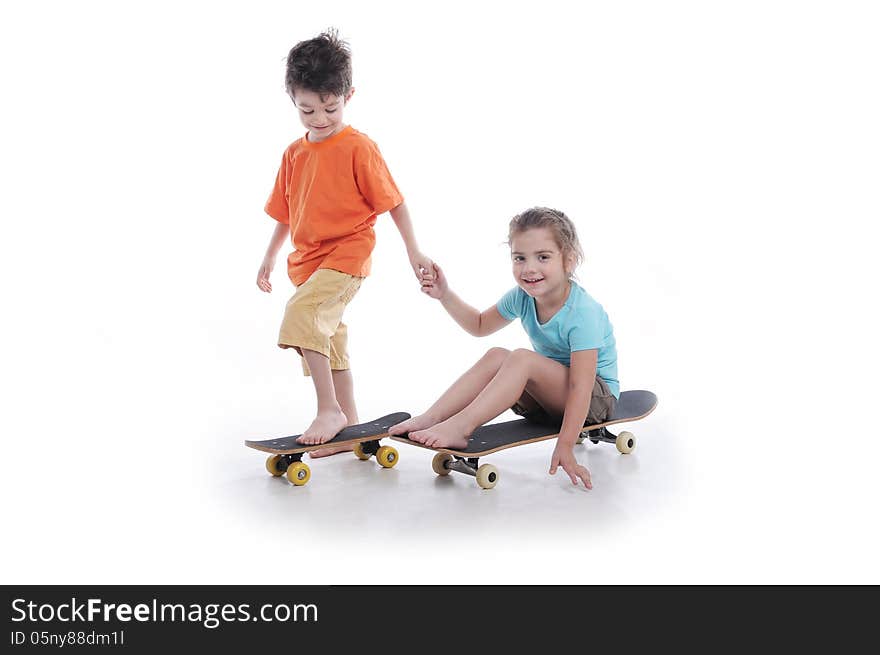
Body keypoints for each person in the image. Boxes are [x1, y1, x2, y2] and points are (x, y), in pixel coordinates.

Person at [257, 29, 432, 457]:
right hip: (308, 263)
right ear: (293, 100)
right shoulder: (293, 154)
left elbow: (394, 204)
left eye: (330, 109)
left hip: (348, 255)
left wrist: (414, 251)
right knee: (330, 340)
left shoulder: (358, 147)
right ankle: (348, 426)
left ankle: (328, 409)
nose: (319, 119)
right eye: (307, 110)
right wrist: (268, 257)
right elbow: (285, 211)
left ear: (348, 96)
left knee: (302, 314)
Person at [389, 207, 618, 489]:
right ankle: (433, 416)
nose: (529, 268)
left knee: (522, 358)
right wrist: (444, 294)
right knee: (498, 354)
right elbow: (480, 325)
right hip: (550, 398)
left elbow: (581, 387)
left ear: (569, 260)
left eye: (543, 257)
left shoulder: (583, 313)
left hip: (594, 401)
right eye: (519, 258)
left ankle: (461, 427)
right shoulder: (522, 298)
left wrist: (566, 445)